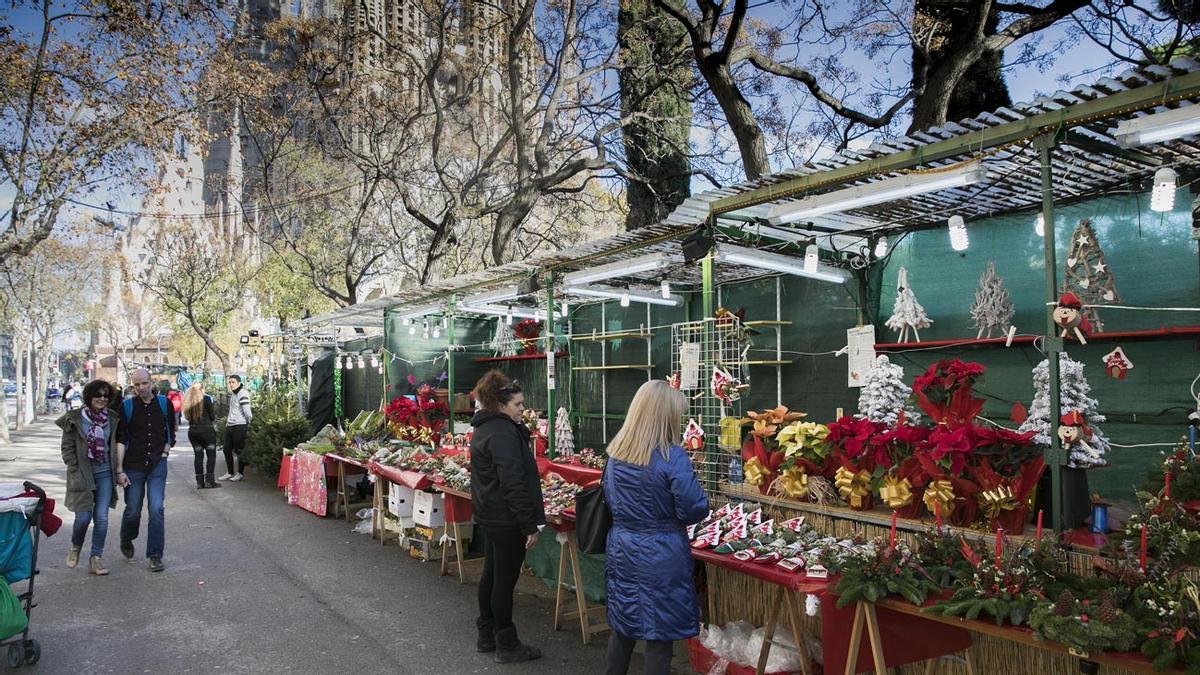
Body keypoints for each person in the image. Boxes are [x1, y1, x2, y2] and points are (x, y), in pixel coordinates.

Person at [603, 380, 709, 675]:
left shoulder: (616, 453)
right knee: (659, 635)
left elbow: (610, 499)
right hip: (661, 552)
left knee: (624, 627)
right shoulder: (672, 456)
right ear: (666, 416)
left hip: (622, 547)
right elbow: (693, 508)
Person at [469, 371, 545, 663]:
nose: (523, 410)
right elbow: (513, 482)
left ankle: (486, 634)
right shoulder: (501, 433)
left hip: (491, 514)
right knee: (503, 580)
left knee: (491, 574)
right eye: (518, 405)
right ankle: (507, 642)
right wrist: (528, 525)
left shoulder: (487, 428)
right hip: (506, 518)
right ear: (500, 404)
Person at [57, 380, 122, 576]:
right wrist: (75, 469)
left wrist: (119, 470)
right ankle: (76, 546)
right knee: (83, 518)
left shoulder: (112, 418)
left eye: (105, 396)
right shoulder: (74, 418)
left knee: (101, 518)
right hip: (83, 474)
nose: (102, 399)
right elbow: (67, 449)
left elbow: (116, 443)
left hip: (105, 474)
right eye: (98, 395)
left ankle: (96, 558)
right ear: (89, 397)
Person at [116, 368, 177, 572]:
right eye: (136, 385)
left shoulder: (164, 403)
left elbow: (171, 430)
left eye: (144, 383)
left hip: (158, 464)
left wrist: (166, 451)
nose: (141, 388)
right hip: (133, 465)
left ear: (151, 383)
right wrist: (119, 469)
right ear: (132, 386)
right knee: (133, 510)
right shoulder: (127, 406)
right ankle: (127, 537)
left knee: (157, 509)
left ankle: (155, 555)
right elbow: (121, 438)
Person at [183, 381, 221, 490]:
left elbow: (187, 417)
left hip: (193, 432)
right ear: (202, 389)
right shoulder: (206, 399)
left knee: (198, 456)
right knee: (211, 455)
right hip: (207, 431)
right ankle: (210, 481)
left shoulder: (188, 401)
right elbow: (212, 416)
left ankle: (199, 482)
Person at [220, 374, 252, 481]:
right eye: (229, 382)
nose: (231, 384)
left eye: (233, 382)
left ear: (238, 383)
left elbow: (247, 411)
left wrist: (248, 422)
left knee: (239, 450)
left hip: (240, 425)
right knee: (226, 449)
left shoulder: (243, 393)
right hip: (230, 425)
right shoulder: (234, 395)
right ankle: (229, 472)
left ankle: (240, 473)